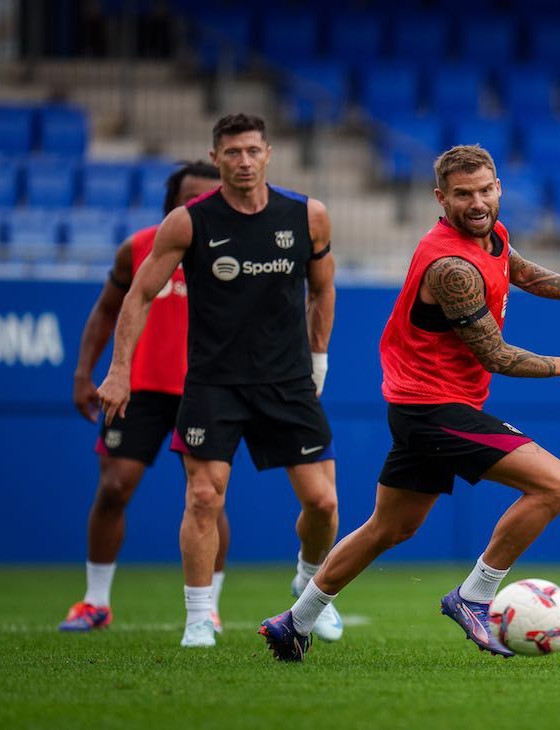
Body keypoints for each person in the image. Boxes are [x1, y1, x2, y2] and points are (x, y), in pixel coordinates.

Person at [257, 144, 560, 662]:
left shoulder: (492, 234)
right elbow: (495, 355)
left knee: (390, 527)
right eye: (463, 194)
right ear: (440, 197)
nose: (478, 202)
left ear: (499, 188)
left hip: (421, 402)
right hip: (433, 407)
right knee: (558, 484)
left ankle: (294, 623)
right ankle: (474, 596)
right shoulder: (451, 267)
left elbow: (523, 272)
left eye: (486, 190)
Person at [97, 113, 343, 649]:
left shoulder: (307, 216)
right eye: (233, 152)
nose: (244, 161)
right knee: (204, 497)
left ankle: (307, 582)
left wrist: (318, 357)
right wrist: (119, 370)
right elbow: (136, 295)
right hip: (214, 383)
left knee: (323, 504)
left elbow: (322, 289)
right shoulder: (188, 222)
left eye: (253, 150)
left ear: (269, 153)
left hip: (288, 381)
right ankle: (198, 617)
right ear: (216, 159)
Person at [61, 161, 225, 633]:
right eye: (190, 198)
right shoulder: (138, 247)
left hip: (208, 389)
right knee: (113, 488)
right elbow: (106, 310)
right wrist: (83, 373)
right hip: (139, 390)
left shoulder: (235, 251)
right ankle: (95, 602)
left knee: (208, 497)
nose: (199, 206)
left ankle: (208, 606)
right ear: (172, 202)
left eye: (207, 198)